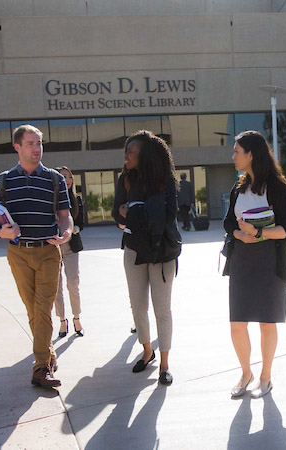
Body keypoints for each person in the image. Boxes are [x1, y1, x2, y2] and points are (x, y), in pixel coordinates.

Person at [0, 124, 73, 389]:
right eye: (31, 143)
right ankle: (48, 353)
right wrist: (0, 231)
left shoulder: (55, 179)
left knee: (43, 307)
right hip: (18, 254)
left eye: (39, 143)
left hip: (48, 251)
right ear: (18, 147)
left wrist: (66, 232)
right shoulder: (3, 180)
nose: (37, 148)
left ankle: (40, 368)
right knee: (32, 310)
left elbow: (65, 216)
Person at [222, 130, 286, 399]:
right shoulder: (238, 187)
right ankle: (246, 372)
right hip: (241, 260)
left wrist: (260, 233)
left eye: (236, 151)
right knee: (237, 323)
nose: (233, 157)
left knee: (267, 322)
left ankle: (265, 376)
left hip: (270, 262)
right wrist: (239, 233)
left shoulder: (277, 187)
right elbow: (228, 222)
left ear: (250, 154)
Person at [112, 130, 182, 386]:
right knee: (138, 306)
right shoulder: (126, 180)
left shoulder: (165, 180)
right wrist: (137, 214)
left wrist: (131, 213)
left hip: (162, 252)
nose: (126, 156)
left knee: (162, 309)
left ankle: (164, 363)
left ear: (146, 155)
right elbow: (116, 215)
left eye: (131, 151)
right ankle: (147, 351)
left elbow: (169, 216)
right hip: (133, 250)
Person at [54, 166, 86, 338]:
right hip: (53, 247)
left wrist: (76, 228)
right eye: (62, 177)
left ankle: (76, 318)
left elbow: (81, 222)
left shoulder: (76, 199)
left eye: (68, 177)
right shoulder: (50, 200)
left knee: (73, 282)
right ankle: (62, 320)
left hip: (71, 247)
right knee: (56, 286)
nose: (66, 180)